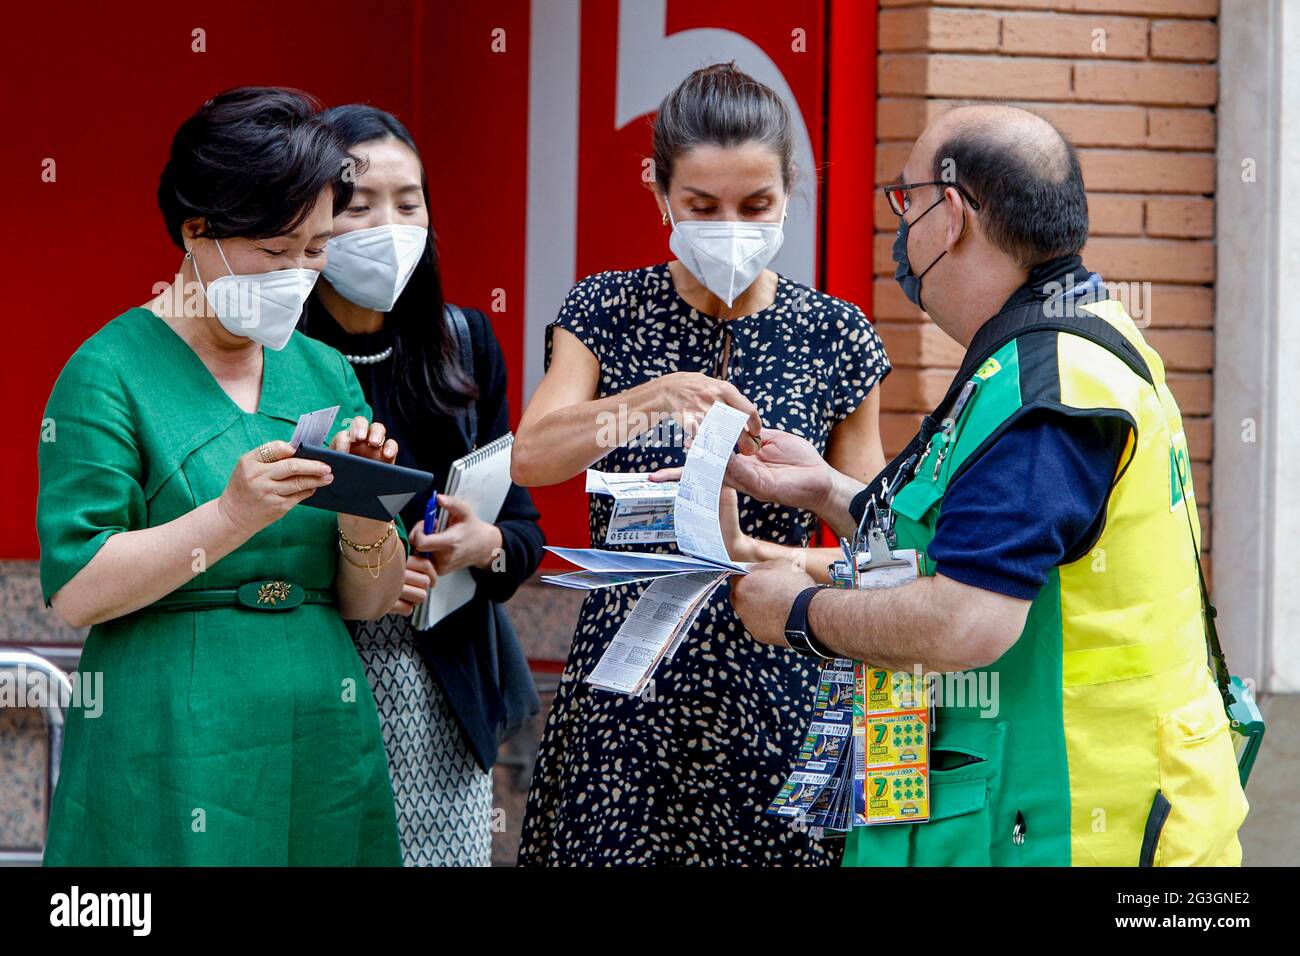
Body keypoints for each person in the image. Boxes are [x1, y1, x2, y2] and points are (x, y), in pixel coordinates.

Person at [725, 104, 1250, 866]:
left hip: (1071, 828)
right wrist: (829, 491)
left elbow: (971, 619)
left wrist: (800, 612)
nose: (901, 231)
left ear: (953, 215)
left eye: (905, 202)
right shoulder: (1064, 345)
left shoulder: (1046, 387)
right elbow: (980, 539)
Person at [513, 62, 891, 866]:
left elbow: (876, 538)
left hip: (784, 675)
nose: (730, 226)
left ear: (790, 190)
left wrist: (798, 511)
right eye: (701, 206)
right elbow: (532, 456)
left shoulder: (838, 334)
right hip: (631, 682)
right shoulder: (606, 308)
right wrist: (652, 397)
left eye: (755, 206)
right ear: (659, 196)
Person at [36, 87, 407, 866]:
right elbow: (78, 590)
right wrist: (231, 515)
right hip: (166, 729)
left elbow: (370, 602)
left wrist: (369, 511)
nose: (298, 275)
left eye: (315, 251)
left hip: (320, 730)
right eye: (274, 252)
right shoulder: (107, 373)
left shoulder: (326, 370)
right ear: (195, 228)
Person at [299, 104, 544, 867]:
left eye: (409, 202)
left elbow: (526, 533)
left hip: (441, 696)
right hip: (314, 684)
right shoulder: (276, 355)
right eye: (357, 204)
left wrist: (483, 543)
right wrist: (360, 564)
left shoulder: (463, 345)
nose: (389, 224)